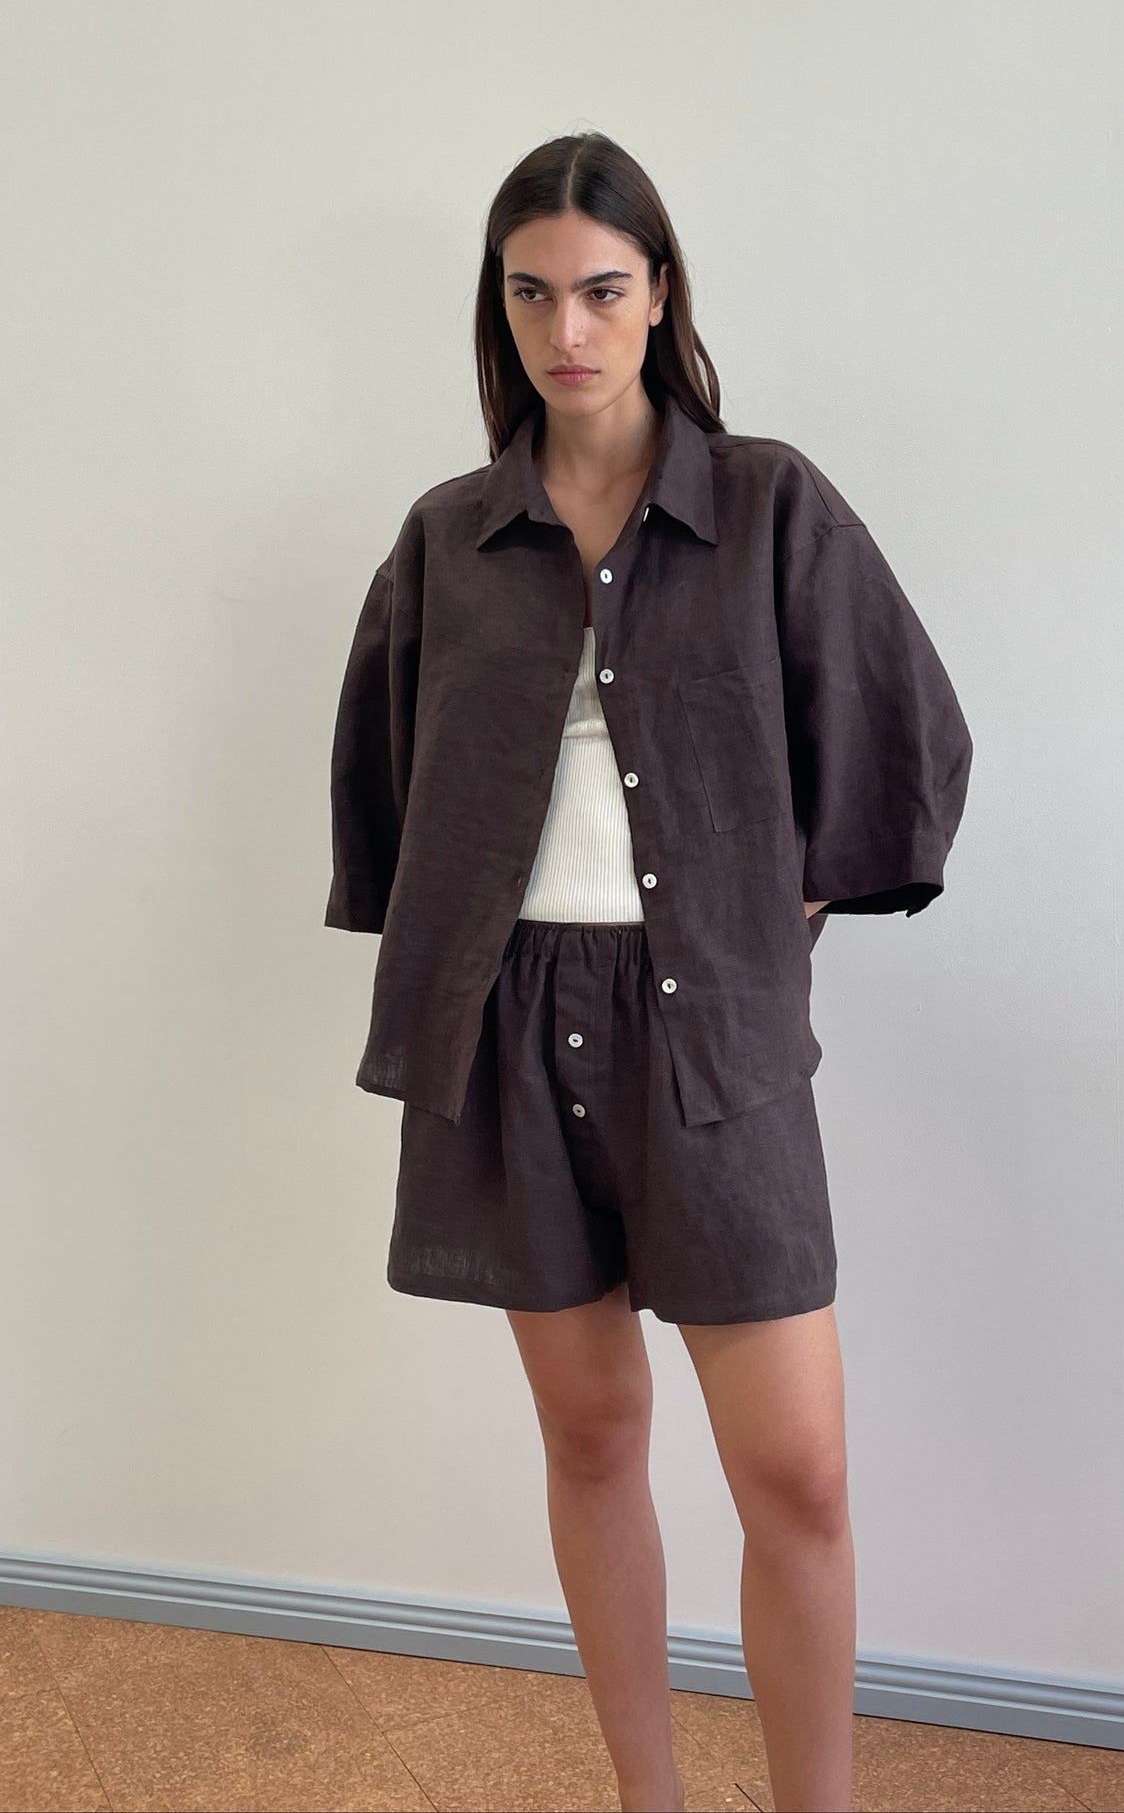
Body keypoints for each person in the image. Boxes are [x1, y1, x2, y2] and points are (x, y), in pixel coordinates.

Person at [325, 131, 973, 1813]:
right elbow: (390, 784)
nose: (569, 330)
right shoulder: (448, 536)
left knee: (799, 1476)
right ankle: (649, 1801)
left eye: (602, 290)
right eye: (532, 294)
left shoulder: (765, 504)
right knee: (595, 1437)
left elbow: (896, 737)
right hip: (510, 1027)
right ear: (502, 307)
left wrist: (776, 923)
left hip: (715, 1033)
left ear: (658, 291)